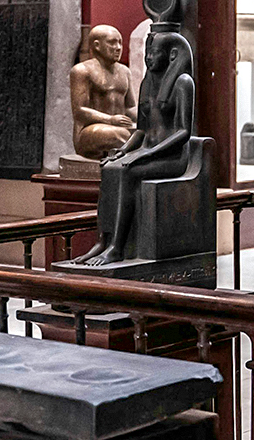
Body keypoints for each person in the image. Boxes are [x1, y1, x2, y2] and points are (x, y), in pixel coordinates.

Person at [78, 28, 198, 265]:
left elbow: (183, 132)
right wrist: (123, 151)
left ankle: (117, 247)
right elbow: (142, 130)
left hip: (172, 157)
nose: (149, 58)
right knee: (110, 168)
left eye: (155, 53)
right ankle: (103, 241)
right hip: (148, 152)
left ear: (172, 55)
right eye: (147, 53)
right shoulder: (147, 83)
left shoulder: (183, 83)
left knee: (128, 173)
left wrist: (146, 155)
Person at [68, 25, 136, 161]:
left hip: (120, 127)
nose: (118, 47)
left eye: (120, 43)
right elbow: (79, 111)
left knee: (147, 133)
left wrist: (148, 120)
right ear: (97, 46)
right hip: (91, 131)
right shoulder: (82, 71)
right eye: (112, 43)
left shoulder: (125, 71)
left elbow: (130, 108)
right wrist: (110, 119)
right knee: (118, 134)